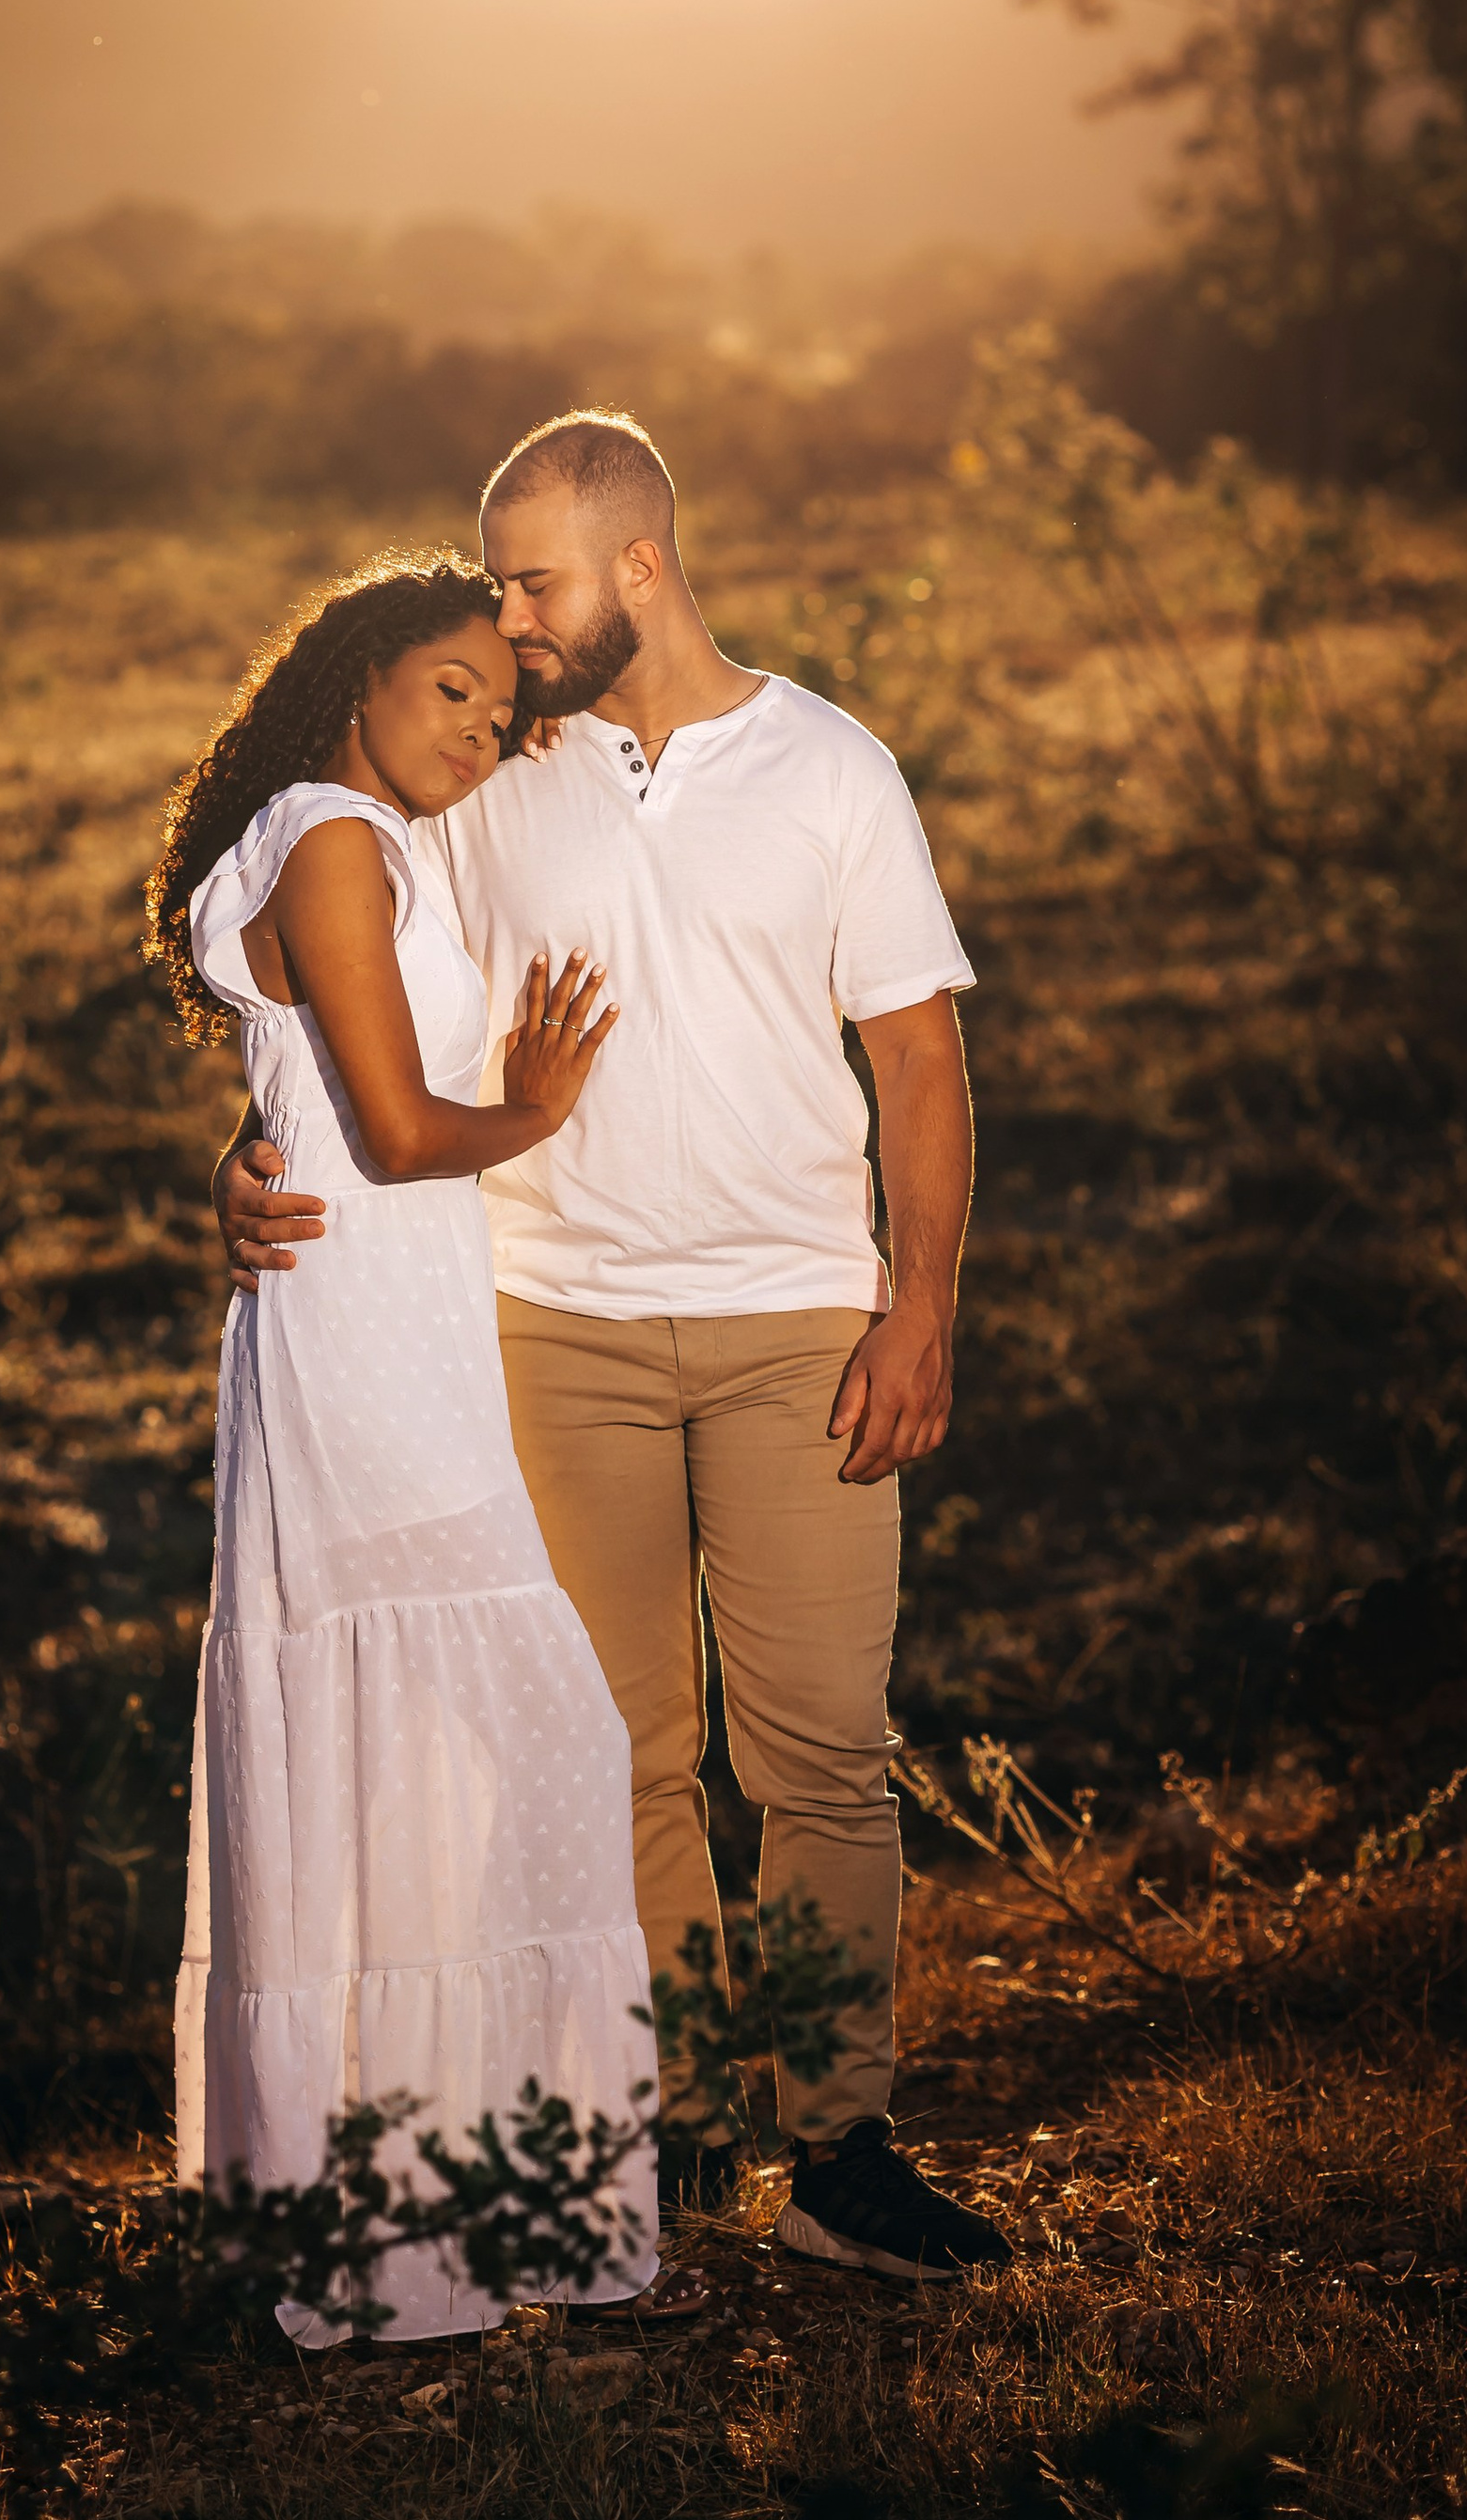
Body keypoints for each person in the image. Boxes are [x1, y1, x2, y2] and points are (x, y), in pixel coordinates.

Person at [222, 417, 1011, 2285]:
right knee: (619, 1751)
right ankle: (646, 2140)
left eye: (530, 582)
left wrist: (919, 1306)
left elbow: (916, 1060)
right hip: (548, 1320)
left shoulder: (831, 769)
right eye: (493, 585)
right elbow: (339, 985)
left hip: (793, 1324)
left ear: (637, 568)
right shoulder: (490, 778)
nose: (505, 622)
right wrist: (247, 1150)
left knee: (817, 1753)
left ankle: (832, 2156)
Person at [145, 548, 668, 2347]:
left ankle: (393, 2230)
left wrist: (241, 1160)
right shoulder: (339, 836)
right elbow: (380, 1127)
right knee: (534, 1734)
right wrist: (528, 1105)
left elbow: (289, 1095)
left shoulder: (333, 837)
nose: (478, 728)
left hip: (366, 1320)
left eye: (500, 709)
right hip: (368, 1328)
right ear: (355, 672)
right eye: (450, 687)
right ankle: (472, 2227)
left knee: (403, 1763)